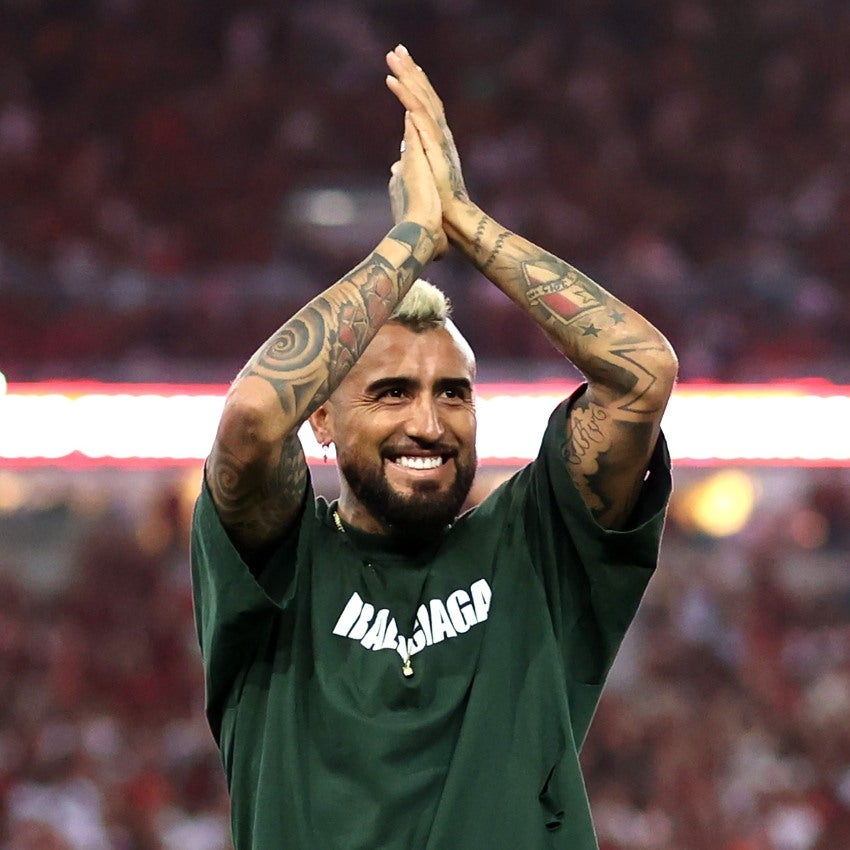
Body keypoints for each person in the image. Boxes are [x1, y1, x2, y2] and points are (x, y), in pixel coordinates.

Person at [191, 44, 678, 850]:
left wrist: (465, 222)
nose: (429, 422)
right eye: (390, 392)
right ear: (322, 419)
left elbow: (642, 374)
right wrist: (413, 237)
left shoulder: (533, 546)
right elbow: (249, 417)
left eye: (453, 392)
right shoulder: (279, 560)